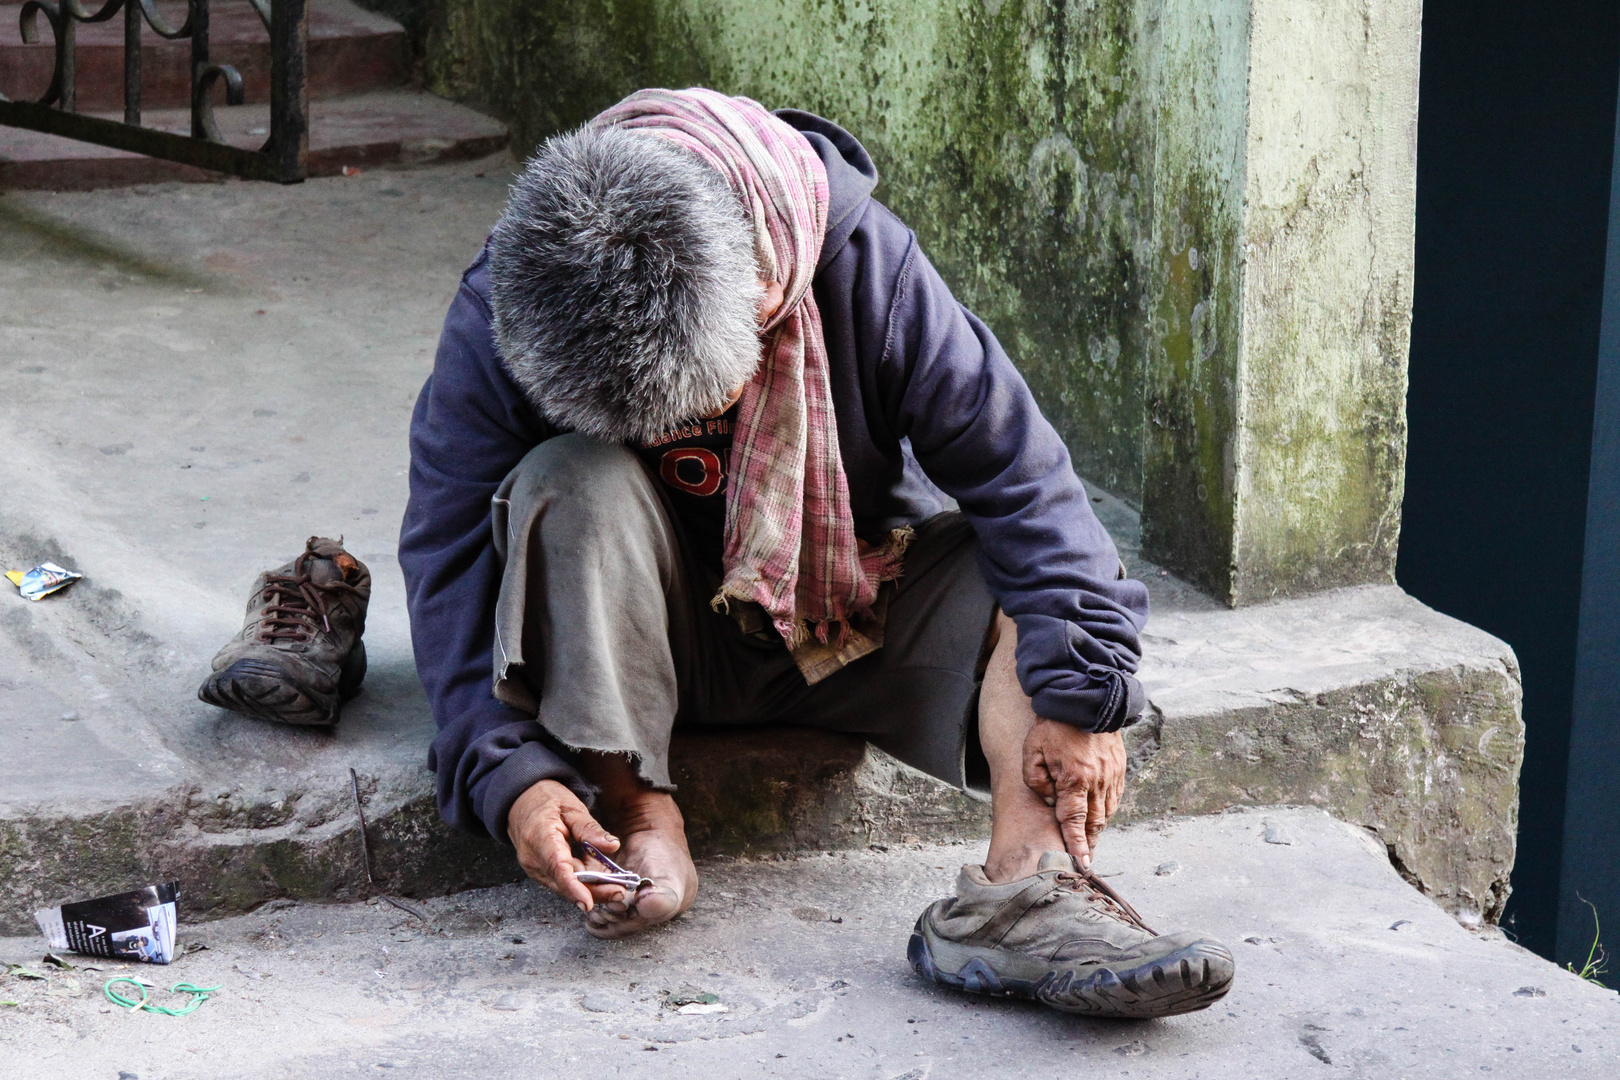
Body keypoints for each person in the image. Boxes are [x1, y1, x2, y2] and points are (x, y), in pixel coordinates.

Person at [400, 88, 1233, 1018]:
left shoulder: (864, 263)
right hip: (631, 657)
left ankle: (1024, 891)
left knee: (1042, 580)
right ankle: (640, 812)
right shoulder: (504, 305)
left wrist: (1084, 695)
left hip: (845, 622)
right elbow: (448, 556)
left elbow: (1022, 478)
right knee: (569, 477)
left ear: (764, 284)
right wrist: (510, 774)